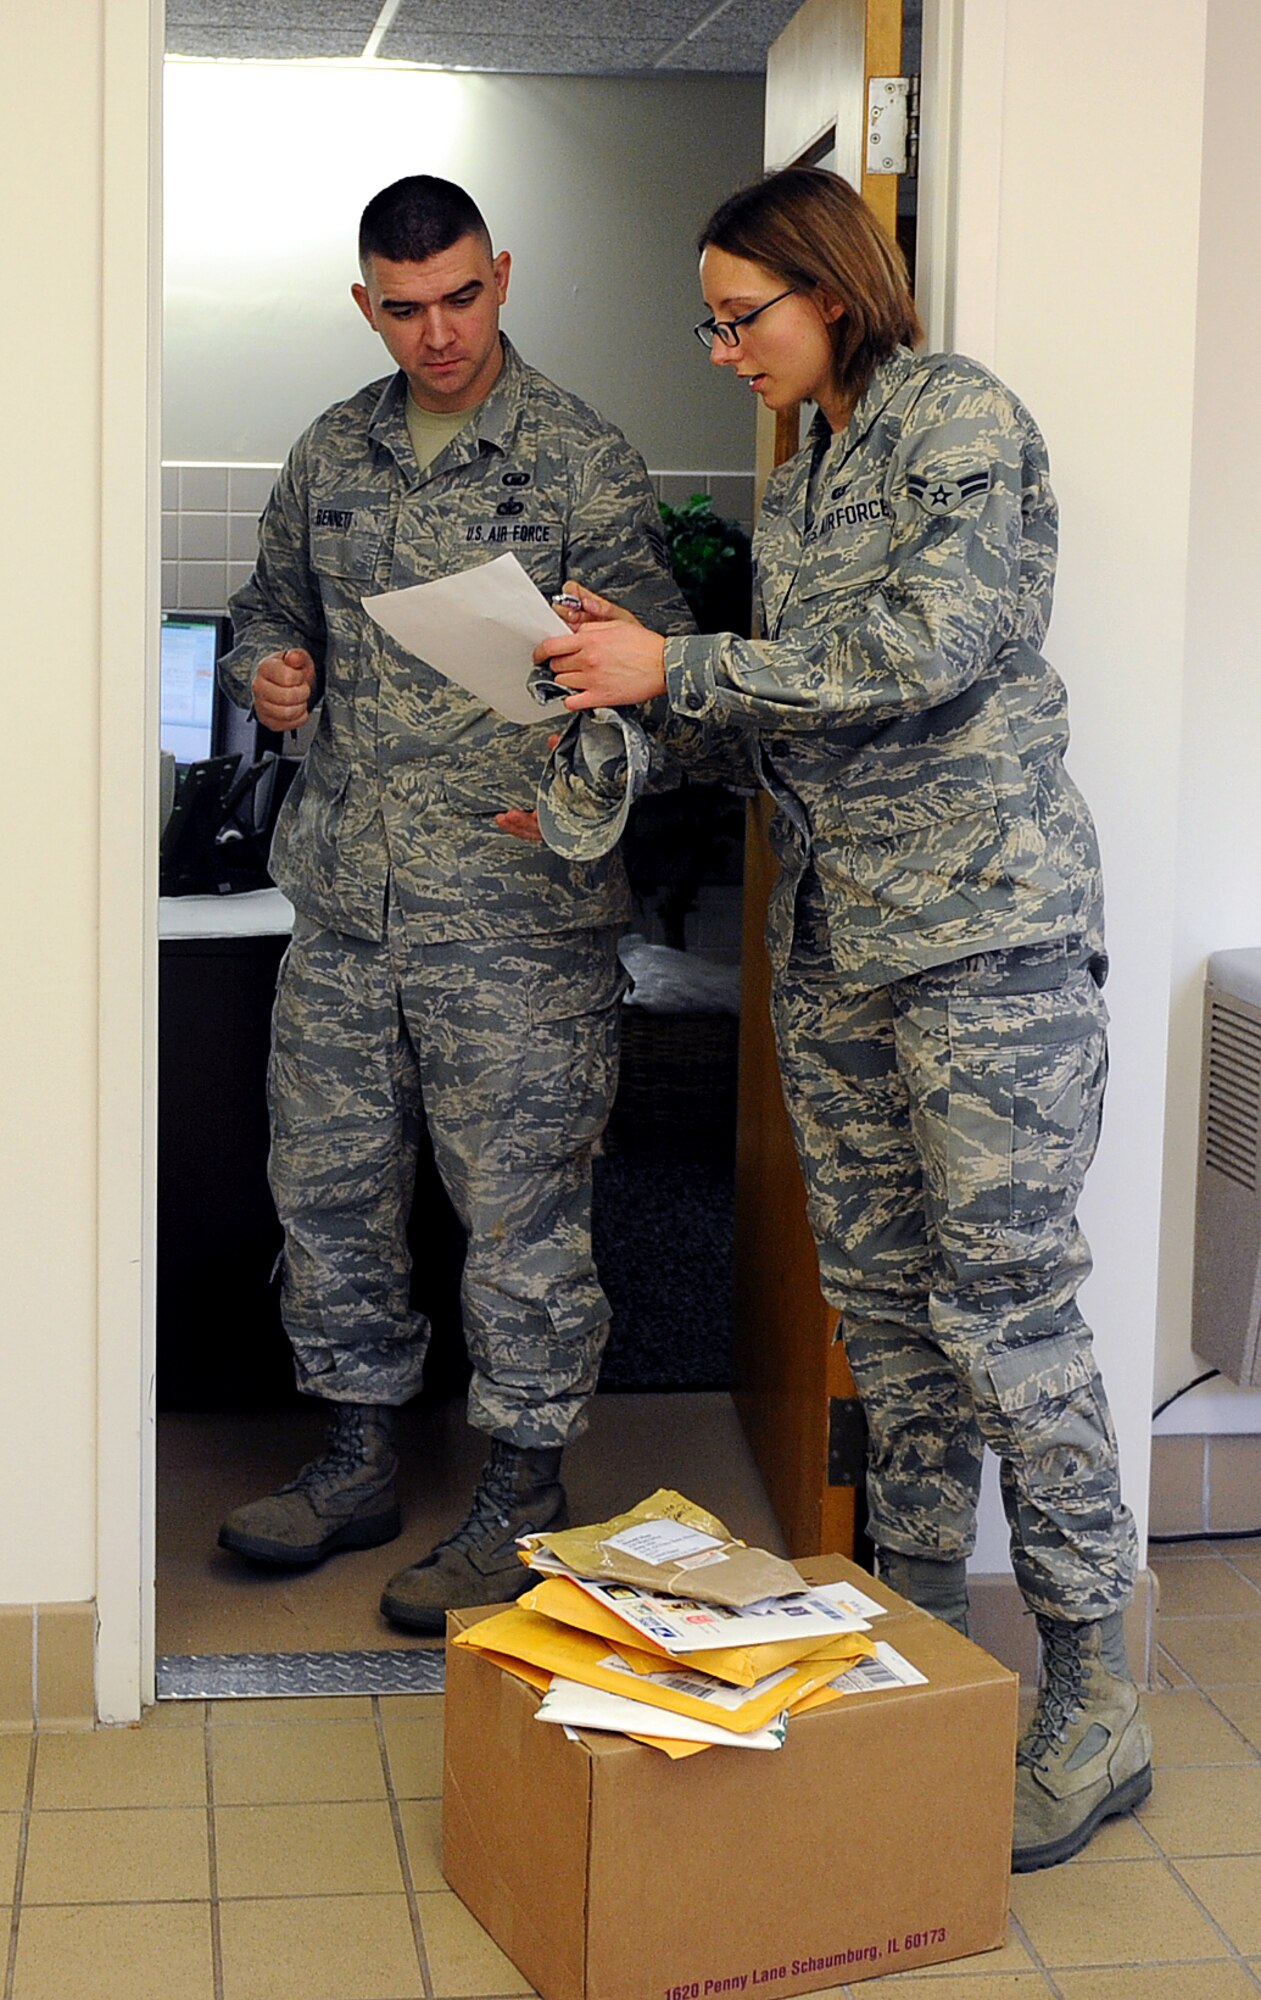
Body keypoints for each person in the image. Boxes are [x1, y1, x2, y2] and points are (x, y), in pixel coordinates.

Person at [530, 165, 1151, 1872]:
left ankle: (1095, 1696)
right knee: (884, 1319)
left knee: (1007, 1319)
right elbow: (793, 722)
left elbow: (930, 648)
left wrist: (685, 667)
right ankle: (919, 1646)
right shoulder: (802, 482)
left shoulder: (957, 419)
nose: (725, 349)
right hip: (838, 949)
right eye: (711, 324)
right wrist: (627, 696)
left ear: (832, 286)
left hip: (984, 947)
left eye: (742, 316)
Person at [215, 174, 691, 1634]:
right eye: (406, 308)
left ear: (504, 278)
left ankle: (522, 1486)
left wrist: (598, 685)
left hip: (518, 911)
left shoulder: (578, 458)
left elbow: (663, 673)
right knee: (330, 1190)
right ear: (367, 304)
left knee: (521, 1214)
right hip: (349, 906)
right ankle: (357, 1458)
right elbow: (265, 605)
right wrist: (268, 667)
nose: (438, 334)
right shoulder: (331, 449)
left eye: (463, 298)